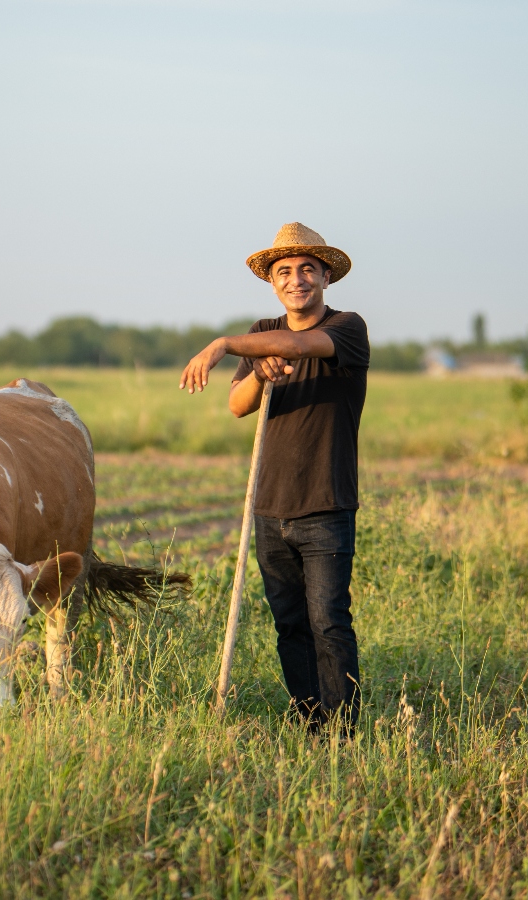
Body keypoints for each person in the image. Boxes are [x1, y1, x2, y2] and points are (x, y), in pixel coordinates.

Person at [179, 222, 370, 732]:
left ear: (325, 274)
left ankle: (343, 730)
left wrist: (223, 344)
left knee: (329, 622)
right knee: (290, 625)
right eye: (284, 271)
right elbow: (237, 406)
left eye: (307, 268)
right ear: (272, 281)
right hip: (269, 506)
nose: (296, 279)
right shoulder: (262, 334)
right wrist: (259, 372)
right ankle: (309, 720)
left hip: (325, 504)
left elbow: (305, 347)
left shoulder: (348, 327)